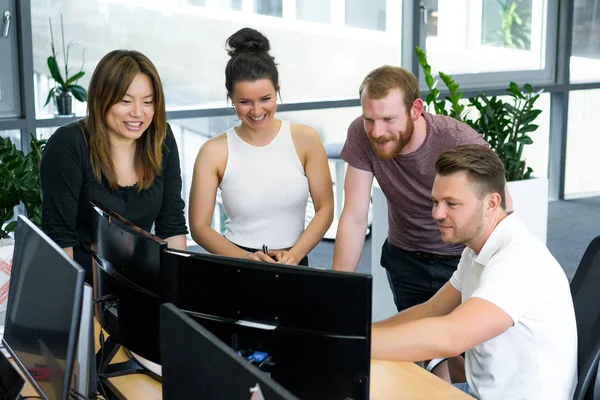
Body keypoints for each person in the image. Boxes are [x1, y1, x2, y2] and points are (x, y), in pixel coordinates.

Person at [371, 145, 577, 399]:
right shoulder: (476, 248)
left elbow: (451, 337)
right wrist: (361, 334)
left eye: (452, 204)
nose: (437, 213)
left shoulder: (518, 262)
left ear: (491, 203)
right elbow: (432, 310)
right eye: (435, 202)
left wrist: (356, 345)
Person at [332, 65, 492, 312]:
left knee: (464, 347)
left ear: (415, 109)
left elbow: (500, 212)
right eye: (369, 120)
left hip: (461, 260)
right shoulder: (360, 134)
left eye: (388, 119)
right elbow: (354, 216)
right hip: (404, 259)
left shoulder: (458, 141)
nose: (377, 132)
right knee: (414, 345)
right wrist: (337, 289)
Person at [189, 27, 333, 266]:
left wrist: (295, 254)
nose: (256, 111)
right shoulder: (213, 151)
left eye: (265, 99)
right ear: (231, 99)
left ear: (277, 91)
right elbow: (199, 226)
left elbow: (326, 207)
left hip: (293, 261)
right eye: (245, 102)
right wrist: (245, 259)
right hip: (238, 263)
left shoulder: (306, 139)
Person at [41, 50, 188, 284]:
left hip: (141, 282)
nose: (138, 113)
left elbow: (172, 226)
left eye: (148, 102)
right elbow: (60, 239)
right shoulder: (69, 143)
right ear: (102, 99)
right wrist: (72, 306)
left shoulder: (161, 138)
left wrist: (176, 293)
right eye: (125, 101)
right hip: (85, 286)